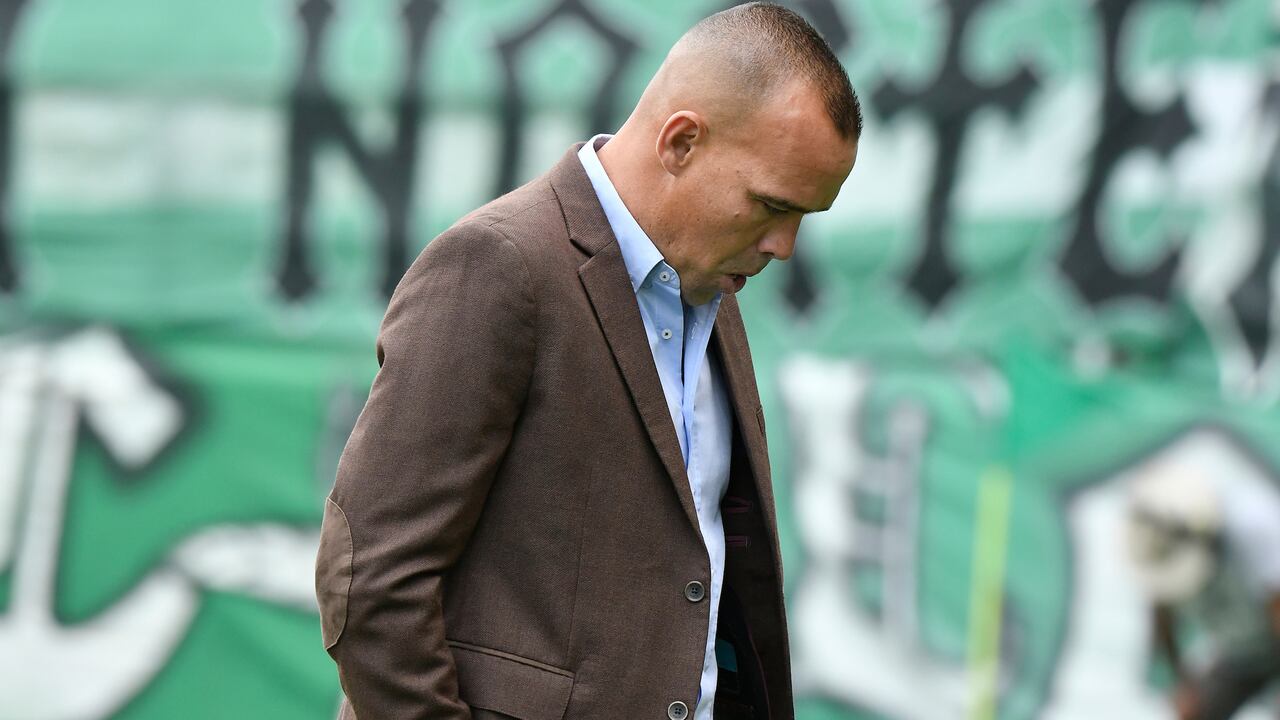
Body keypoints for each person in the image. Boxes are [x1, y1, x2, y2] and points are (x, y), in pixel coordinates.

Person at [314, 4, 861, 719]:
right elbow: (371, 577)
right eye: (769, 205)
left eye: (803, 218)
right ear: (681, 142)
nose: (783, 246)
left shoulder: (709, 283)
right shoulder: (498, 264)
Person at [1127, 457, 1280, 720]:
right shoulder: (1154, 544)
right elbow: (1162, 613)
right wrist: (1182, 684)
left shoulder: (1252, 526)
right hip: (1242, 653)